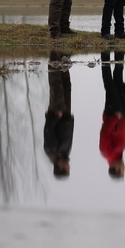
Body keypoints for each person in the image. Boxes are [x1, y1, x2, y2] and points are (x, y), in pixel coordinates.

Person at [43, 51, 74, 179]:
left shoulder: (51, 151)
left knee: (56, 86)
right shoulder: (65, 153)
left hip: (57, 112)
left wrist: (56, 117)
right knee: (66, 86)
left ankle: (54, 56)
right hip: (65, 114)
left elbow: (48, 130)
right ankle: (62, 59)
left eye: (66, 168)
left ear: (60, 167)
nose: (68, 166)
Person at [99, 50, 125, 179]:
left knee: (110, 85)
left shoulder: (107, 153)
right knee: (119, 81)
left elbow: (105, 133)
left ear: (116, 168)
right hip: (122, 115)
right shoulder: (119, 153)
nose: (124, 167)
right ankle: (119, 52)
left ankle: (105, 53)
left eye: (122, 170)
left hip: (113, 114)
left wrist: (114, 119)